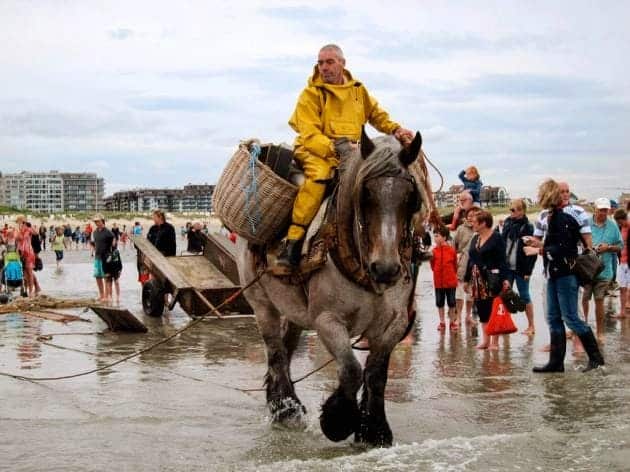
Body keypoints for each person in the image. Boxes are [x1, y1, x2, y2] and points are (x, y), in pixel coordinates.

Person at [276, 43, 414, 268]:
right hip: (316, 150)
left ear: (342, 63)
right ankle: (293, 241)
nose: (324, 67)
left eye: (329, 62)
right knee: (319, 177)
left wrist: (396, 129)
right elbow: (309, 133)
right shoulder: (310, 94)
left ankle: (404, 242)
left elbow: (376, 115)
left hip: (354, 151)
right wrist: (335, 147)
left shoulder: (358, 90)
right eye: (320, 63)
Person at [528, 179, 604, 373]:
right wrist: (541, 246)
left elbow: (565, 249)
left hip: (566, 274)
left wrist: (540, 247)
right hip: (553, 273)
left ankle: (596, 360)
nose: (539, 198)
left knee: (571, 317)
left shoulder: (563, 218)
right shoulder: (553, 216)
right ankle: (556, 362)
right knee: (554, 317)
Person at [465, 210, 509, 350]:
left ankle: (495, 342)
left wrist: (505, 279)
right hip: (477, 279)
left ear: (483, 223)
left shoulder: (496, 237)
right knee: (482, 310)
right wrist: (466, 279)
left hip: (493, 277)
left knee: (493, 308)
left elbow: (503, 260)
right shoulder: (475, 238)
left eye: (475, 222)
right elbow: (470, 259)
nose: (472, 224)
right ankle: (486, 340)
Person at [582, 198, 623, 340]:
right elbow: (576, 242)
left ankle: (600, 332)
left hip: (604, 270)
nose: (603, 213)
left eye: (606, 210)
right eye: (601, 210)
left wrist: (608, 248)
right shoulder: (586, 222)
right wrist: (588, 248)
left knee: (599, 300)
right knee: (584, 299)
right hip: (586, 269)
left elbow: (620, 246)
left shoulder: (612, 226)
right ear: (595, 209)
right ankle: (583, 328)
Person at [500, 198, 537, 335]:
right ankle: (505, 324)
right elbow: (502, 243)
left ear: (521, 211)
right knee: (504, 295)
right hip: (507, 267)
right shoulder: (507, 223)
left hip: (521, 268)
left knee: (525, 296)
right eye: (510, 209)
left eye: (513, 209)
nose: (511, 212)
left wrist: (528, 271)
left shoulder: (527, 227)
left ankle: (531, 326)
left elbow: (532, 252)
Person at [452, 207, 480, 325]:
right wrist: (455, 260)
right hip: (462, 262)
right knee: (459, 292)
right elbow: (454, 245)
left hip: (476, 263)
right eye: (469, 215)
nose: (470, 217)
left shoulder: (480, 229)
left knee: (471, 293)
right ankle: (458, 317)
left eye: (473, 215)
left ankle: (468, 316)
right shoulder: (461, 229)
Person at [430, 226, 458, 332]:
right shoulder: (433, 251)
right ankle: (442, 322)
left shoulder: (451, 251)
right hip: (438, 282)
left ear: (444, 237)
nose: (435, 238)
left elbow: (455, 266)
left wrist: (451, 275)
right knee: (439, 302)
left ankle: (452, 322)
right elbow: (432, 265)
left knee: (451, 302)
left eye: (437, 236)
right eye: (434, 236)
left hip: (450, 282)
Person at [92, 215, 114, 302]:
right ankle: (101, 295)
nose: (96, 223)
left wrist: (111, 255)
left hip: (106, 258)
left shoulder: (108, 232)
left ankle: (106, 296)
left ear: (102, 221)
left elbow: (114, 243)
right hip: (97, 257)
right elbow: (94, 243)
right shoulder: (95, 232)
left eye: (98, 221)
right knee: (98, 276)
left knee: (106, 277)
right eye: (95, 221)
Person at [612, 208, 629, 318]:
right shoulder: (620, 228)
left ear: (624, 218)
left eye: (619, 221)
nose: (619, 224)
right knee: (622, 287)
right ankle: (622, 312)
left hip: (628, 261)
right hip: (622, 262)